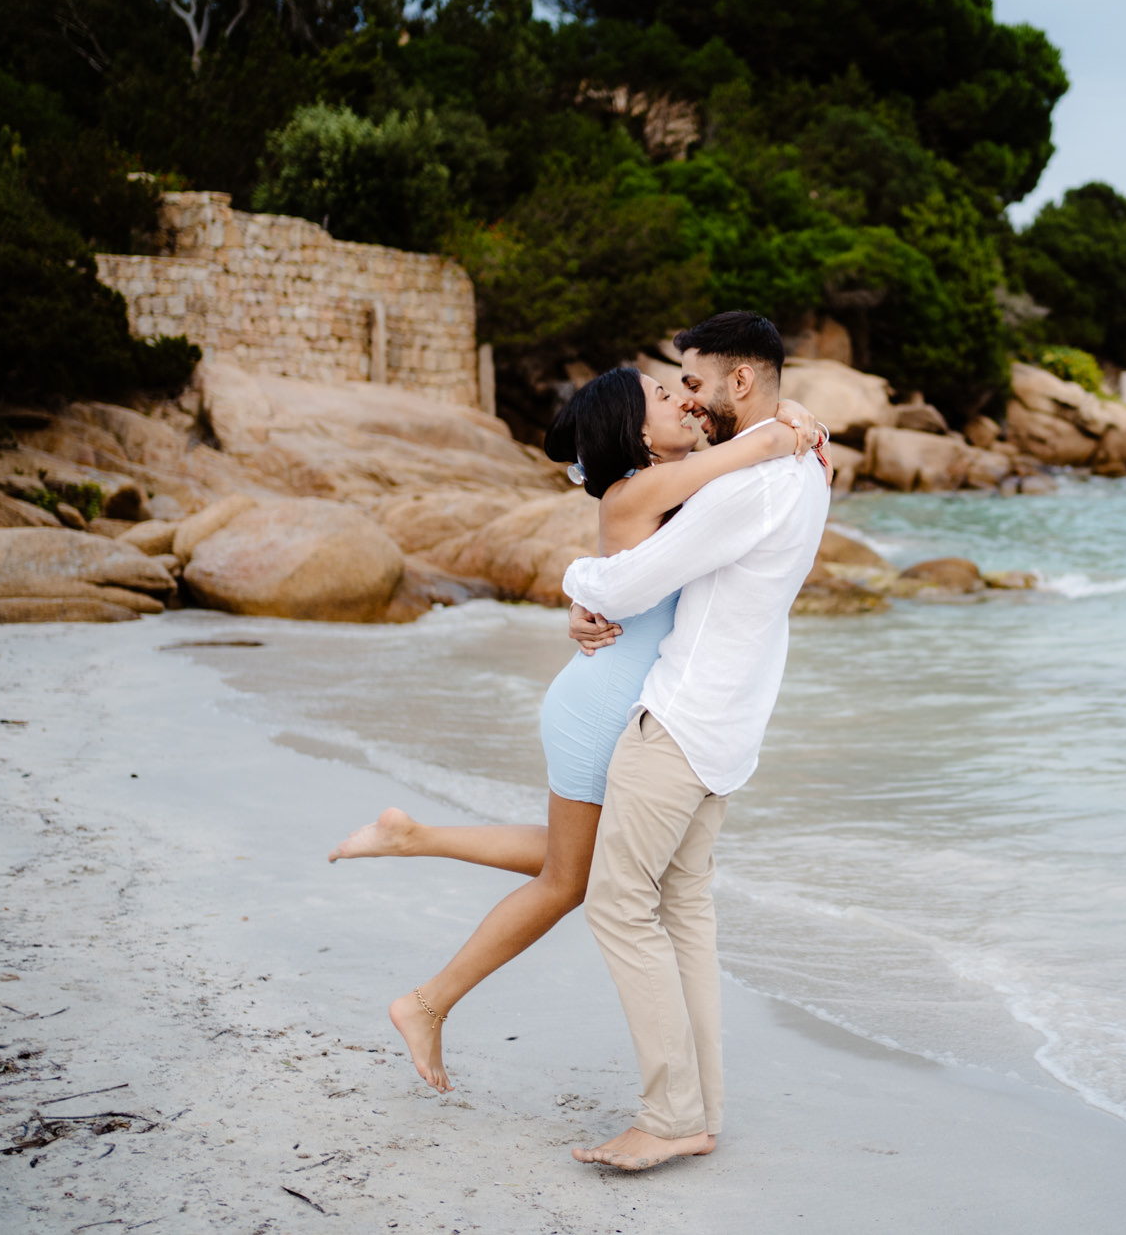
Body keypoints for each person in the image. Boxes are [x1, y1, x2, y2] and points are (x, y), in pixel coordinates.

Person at [326, 363, 827, 1093]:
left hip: (604, 698)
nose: (682, 400)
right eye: (662, 396)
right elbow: (754, 448)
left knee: (581, 867)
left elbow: (733, 468)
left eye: (680, 388)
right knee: (570, 882)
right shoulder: (643, 488)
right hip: (597, 713)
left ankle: (413, 839)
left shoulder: (667, 487)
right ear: (636, 432)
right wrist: (796, 421)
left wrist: (791, 418)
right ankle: (425, 1002)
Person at [562, 311, 832, 1172]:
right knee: (684, 914)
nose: (690, 396)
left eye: (697, 380)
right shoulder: (807, 467)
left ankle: (671, 1113)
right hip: (731, 730)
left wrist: (576, 582)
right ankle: (700, 1110)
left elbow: (634, 581)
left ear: (740, 381)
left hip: (679, 721)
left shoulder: (749, 480)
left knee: (617, 904)